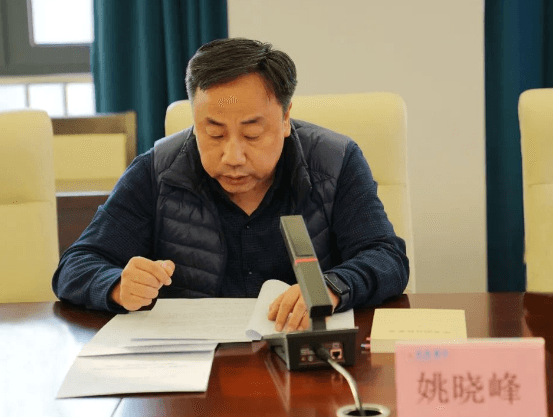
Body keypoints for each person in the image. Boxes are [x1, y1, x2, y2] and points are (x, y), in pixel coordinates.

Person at [52, 37, 409, 332]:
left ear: (286, 118)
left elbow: (387, 258)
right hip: (195, 369)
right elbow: (75, 265)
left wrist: (330, 287)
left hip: (304, 359)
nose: (232, 156)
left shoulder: (336, 162)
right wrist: (117, 285)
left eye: (252, 134)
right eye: (214, 133)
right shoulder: (156, 171)